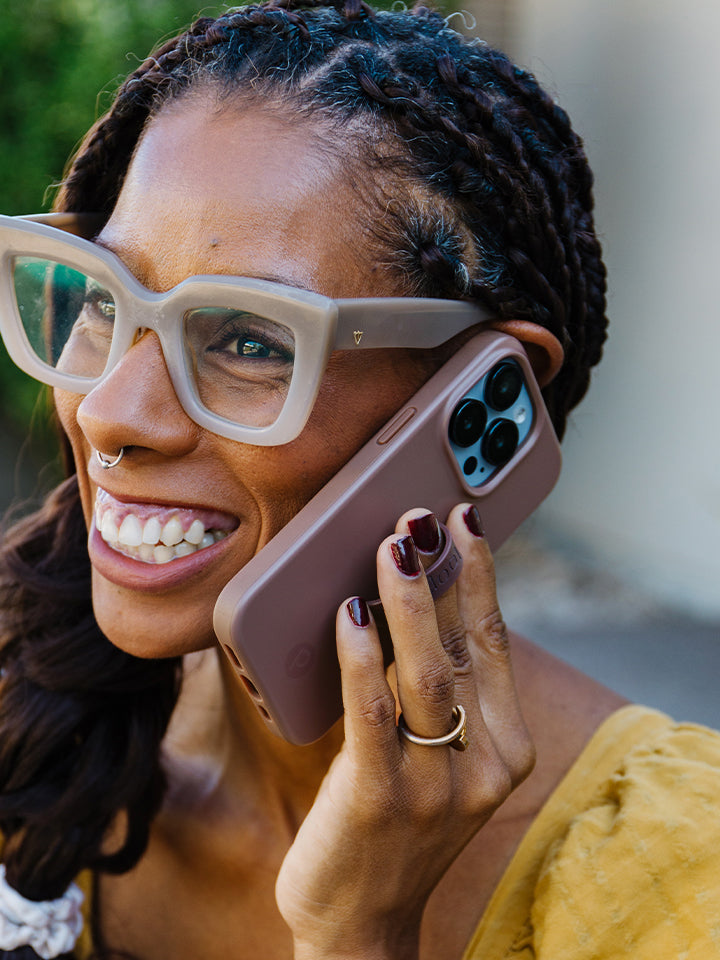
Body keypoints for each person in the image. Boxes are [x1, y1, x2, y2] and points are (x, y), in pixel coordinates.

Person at [1, 2, 719, 958]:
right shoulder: (39, 719)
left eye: (247, 341)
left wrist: (358, 935)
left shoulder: (673, 874)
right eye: (104, 300)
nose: (107, 413)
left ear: (475, 394)